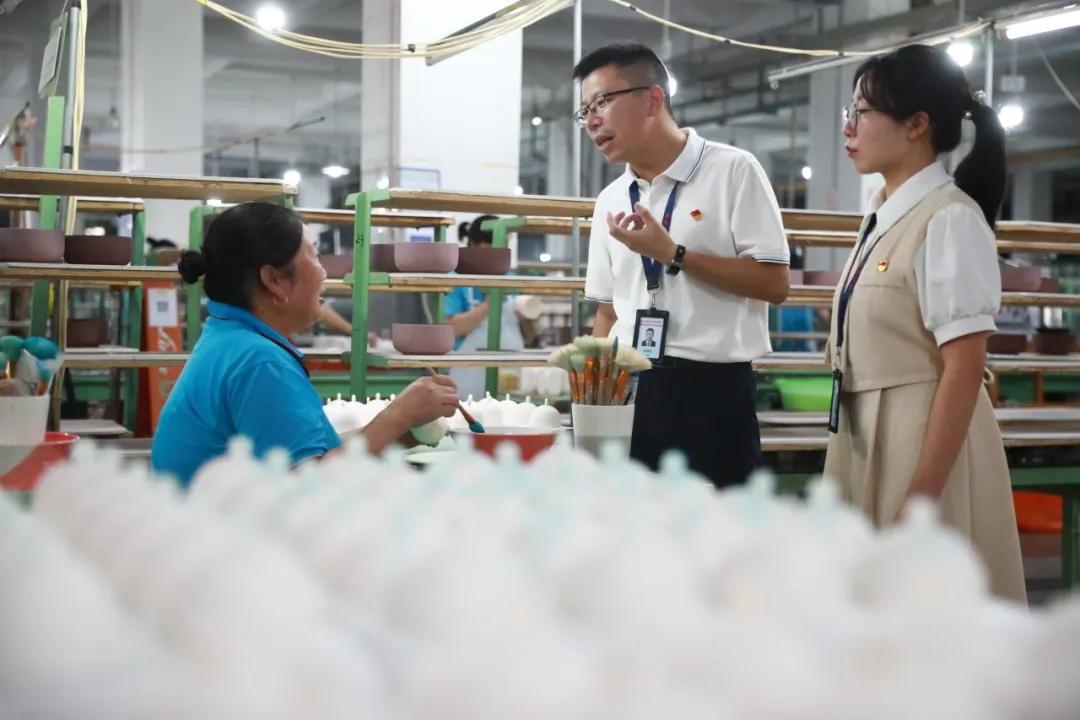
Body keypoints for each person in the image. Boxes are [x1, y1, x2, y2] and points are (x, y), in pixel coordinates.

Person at [823, 44, 1025, 603]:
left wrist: (920, 500)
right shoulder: (881, 214)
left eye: (863, 112)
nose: (848, 127)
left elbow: (964, 367)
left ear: (917, 124)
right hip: (868, 435)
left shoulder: (950, 219)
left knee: (924, 611)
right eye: (849, 112)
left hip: (922, 444)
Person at [576, 43, 790, 489]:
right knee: (632, 523)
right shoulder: (610, 200)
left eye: (602, 102)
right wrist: (594, 398)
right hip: (630, 387)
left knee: (717, 524)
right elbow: (608, 312)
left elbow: (774, 283)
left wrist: (674, 254)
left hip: (712, 393)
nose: (592, 121)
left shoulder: (732, 171)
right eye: (585, 111)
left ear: (652, 99)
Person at [151, 203, 460, 487]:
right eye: (314, 255)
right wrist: (399, 415)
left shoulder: (233, 339)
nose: (324, 272)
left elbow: (305, 451)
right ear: (275, 280)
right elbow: (311, 484)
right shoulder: (259, 361)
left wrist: (402, 430)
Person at [444, 214, 533, 398]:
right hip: (467, 371)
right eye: (488, 253)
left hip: (507, 374)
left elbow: (530, 337)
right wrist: (491, 303)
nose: (493, 259)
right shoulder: (456, 279)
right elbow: (450, 328)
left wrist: (527, 318)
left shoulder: (511, 279)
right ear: (472, 246)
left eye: (498, 252)